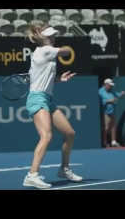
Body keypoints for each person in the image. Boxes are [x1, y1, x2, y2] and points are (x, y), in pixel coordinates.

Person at [22, 24, 83, 189]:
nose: (53, 37)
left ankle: (64, 169)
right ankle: (31, 175)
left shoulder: (44, 53)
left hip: (47, 98)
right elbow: (68, 51)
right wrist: (73, 45)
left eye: (53, 35)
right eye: (49, 35)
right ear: (41, 38)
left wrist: (59, 79)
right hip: (37, 99)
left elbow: (42, 79)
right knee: (46, 136)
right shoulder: (44, 50)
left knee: (69, 133)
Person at [99, 78, 125, 148]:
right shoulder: (100, 92)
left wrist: (121, 94)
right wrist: (111, 101)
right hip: (105, 113)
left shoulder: (111, 91)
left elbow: (117, 95)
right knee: (105, 128)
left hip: (112, 112)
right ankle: (104, 143)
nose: (111, 87)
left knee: (113, 128)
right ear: (106, 84)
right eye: (110, 85)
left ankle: (113, 142)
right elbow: (103, 101)